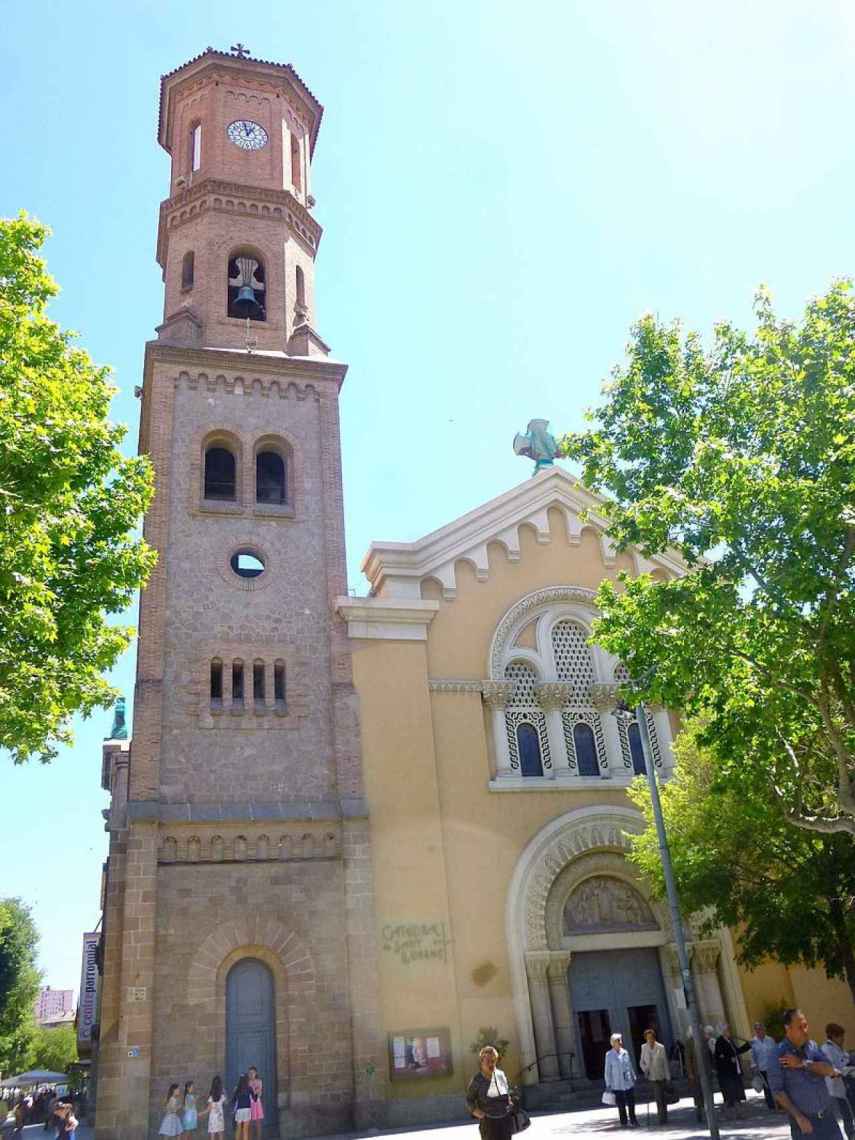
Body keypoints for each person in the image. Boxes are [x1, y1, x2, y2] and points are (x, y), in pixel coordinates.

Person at [767, 1008, 842, 1139]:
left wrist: (803, 1063)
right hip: (805, 1125)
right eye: (799, 1027)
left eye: (806, 1025)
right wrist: (798, 1116)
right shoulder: (777, 1054)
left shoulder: (812, 1046)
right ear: (788, 1028)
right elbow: (777, 1091)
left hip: (828, 1119)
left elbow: (830, 1070)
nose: (805, 1030)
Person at [465, 1045, 514, 1140]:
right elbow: (469, 1100)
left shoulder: (500, 1075)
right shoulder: (477, 1080)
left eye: (493, 1061)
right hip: (488, 1122)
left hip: (505, 1120)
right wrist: (476, 1111)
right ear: (481, 1062)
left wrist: (510, 1101)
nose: (491, 1064)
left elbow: (508, 1091)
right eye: (488, 1061)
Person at [823, 1024, 854, 1140]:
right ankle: (851, 1135)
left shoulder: (838, 1047)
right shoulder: (826, 1049)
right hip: (835, 1089)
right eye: (840, 1037)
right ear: (833, 1036)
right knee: (846, 1115)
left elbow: (845, 1060)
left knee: (850, 1113)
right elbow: (831, 1068)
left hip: (847, 1085)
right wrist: (848, 1070)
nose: (843, 1039)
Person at [715, 1024, 751, 1116]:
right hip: (727, 1073)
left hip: (735, 1070)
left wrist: (748, 1045)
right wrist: (729, 1059)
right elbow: (719, 1057)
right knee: (731, 1094)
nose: (729, 1031)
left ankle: (738, 1113)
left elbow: (736, 1051)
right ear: (723, 1032)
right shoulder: (720, 1042)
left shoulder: (729, 1041)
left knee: (737, 1093)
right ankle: (731, 1112)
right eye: (727, 1030)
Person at [604, 1031, 638, 1129]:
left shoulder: (625, 1052)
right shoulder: (609, 1054)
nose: (620, 1042)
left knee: (631, 1102)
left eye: (620, 1040)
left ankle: (633, 1120)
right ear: (613, 1042)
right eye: (617, 1040)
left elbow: (629, 1065)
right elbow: (607, 1070)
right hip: (617, 1083)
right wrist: (608, 1084)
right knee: (621, 1104)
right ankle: (624, 1122)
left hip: (628, 1081)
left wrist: (633, 1075)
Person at [640, 1027, 670, 1124]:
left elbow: (665, 1062)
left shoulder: (660, 1047)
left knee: (663, 1098)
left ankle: (664, 1116)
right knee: (658, 1098)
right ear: (646, 1038)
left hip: (661, 1075)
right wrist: (645, 1069)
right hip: (652, 1076)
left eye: (651, 1037)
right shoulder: (644, 1047)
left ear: (654, 1037)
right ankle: (661, 1118)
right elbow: (641, 1062)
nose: (650, 1039)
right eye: (648, 1038)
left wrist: (668, 1076)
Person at [751, 1022, 779, 1111]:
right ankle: (771, 1105)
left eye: (761, 1029)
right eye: (757, 1030)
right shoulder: (753, 1042)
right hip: (762, 1068)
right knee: (767, 1087)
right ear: (755, 1031)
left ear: (764, 1030)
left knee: (775, 1085)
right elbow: (752, 1056)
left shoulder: (770, 1040)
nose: (759, 1031)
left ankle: (779, 1103)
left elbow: (776, 1052)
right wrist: (754, 1066)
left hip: (772, 1067)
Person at [232, 1074, 253, 1140]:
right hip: (247, 1109)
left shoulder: (237, 1089)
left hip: (239, 1110)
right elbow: (255, 1099)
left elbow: (233, 1100)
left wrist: (234, 1092)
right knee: (245, 1130)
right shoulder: (249, 1088)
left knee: (238, 1129)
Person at [247, 1066, 264, 1139]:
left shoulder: (259, 1081)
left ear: (256, 1073)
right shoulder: (247, 1082)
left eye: (253, 1073)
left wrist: (255, 1091)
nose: (251, 1074)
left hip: (257, 1104)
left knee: (258, 1123)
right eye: (250, 1073)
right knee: (249, 1124)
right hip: (249, 1104)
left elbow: (259, 1093)